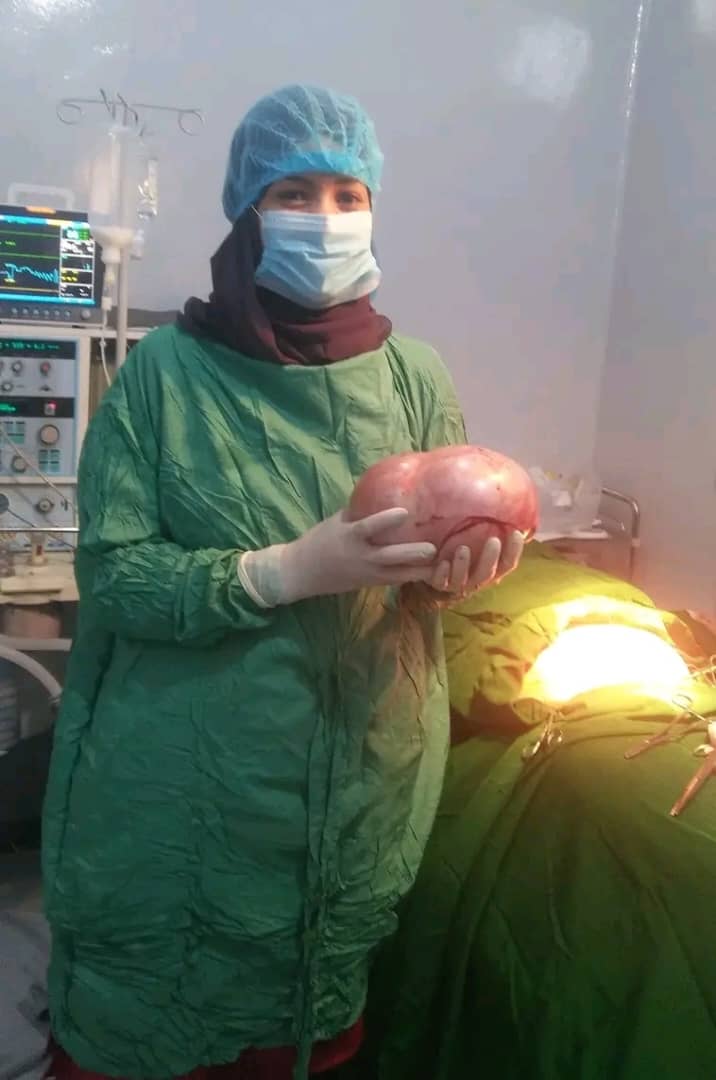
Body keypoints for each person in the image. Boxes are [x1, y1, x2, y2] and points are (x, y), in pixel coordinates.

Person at [41, 84, 524, 1080]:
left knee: (303, 1012)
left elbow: (418, 576)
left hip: (354, 776)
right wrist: (280, 572)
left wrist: (454, 576)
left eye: (349, 195)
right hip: (184, 785)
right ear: (248, 210)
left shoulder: (414, 377)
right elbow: (117, 579)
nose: (325, 216)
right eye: (294, 193)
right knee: (150, 1012)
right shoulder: (164, 372)